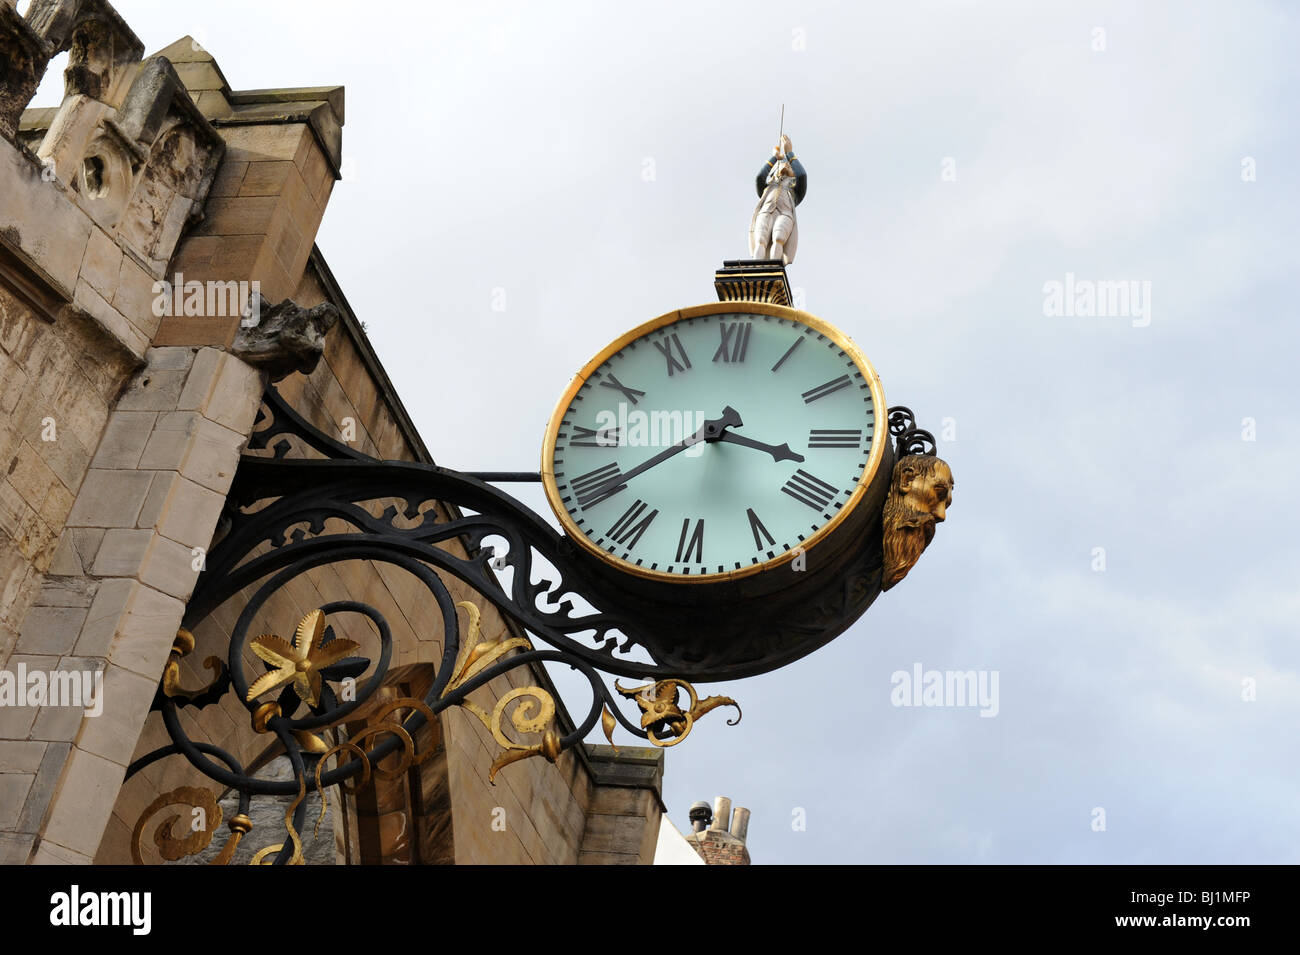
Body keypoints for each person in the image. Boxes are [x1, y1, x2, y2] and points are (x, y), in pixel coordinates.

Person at [748, 133, 807, 264]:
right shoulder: (767, 188)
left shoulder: (794, 190)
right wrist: (775, 157)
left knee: (779, 237)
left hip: (785, 214)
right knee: (761, 240)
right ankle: (756, 266)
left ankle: (773, 267)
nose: (785, 166)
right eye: (782, 164)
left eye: (789, 165)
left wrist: (789, 153)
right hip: (766, 211)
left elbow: (802, 175)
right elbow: (759, 177)